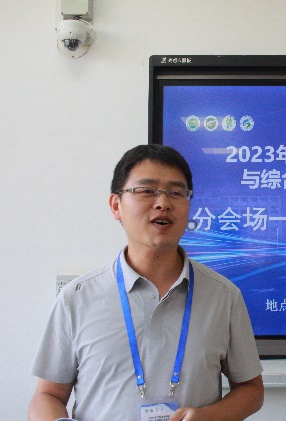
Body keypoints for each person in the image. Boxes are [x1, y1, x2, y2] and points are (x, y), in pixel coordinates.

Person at [28, 144, 264, 421]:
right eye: (147, 190)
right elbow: (48, 395)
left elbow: (251, 389)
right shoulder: (77, 297)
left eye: (176, 192)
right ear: (116, 205)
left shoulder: (224, 296)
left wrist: (208, 417)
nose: (163, 203)